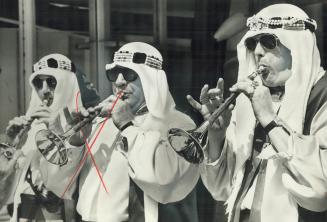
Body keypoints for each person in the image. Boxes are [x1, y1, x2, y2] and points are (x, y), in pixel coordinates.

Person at [188, 4, 327, 222]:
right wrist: (217, 135)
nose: (258, 51)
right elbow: (220, 189)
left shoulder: (322, 97)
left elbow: (321, 189)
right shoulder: (252, 100)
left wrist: (270, 121)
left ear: (296, 47)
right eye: (253, 43)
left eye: (269, 42)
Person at [76, 42, 200, 222]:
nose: (119, 81)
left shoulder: (179, 123)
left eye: (129, 73)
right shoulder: (101, 121)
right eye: (113, 74)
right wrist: (76, 142)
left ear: (151, 78)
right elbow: (64, 187)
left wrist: (127, 126)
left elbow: (163, 181)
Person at [5, 54, 93, 221]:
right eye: (38, 83)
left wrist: (57, 134)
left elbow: (62, 184)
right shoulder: (31, 127)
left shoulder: (82, 127)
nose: (44, 90)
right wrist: (11, 144)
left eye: (51, 82)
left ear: (66, 84)